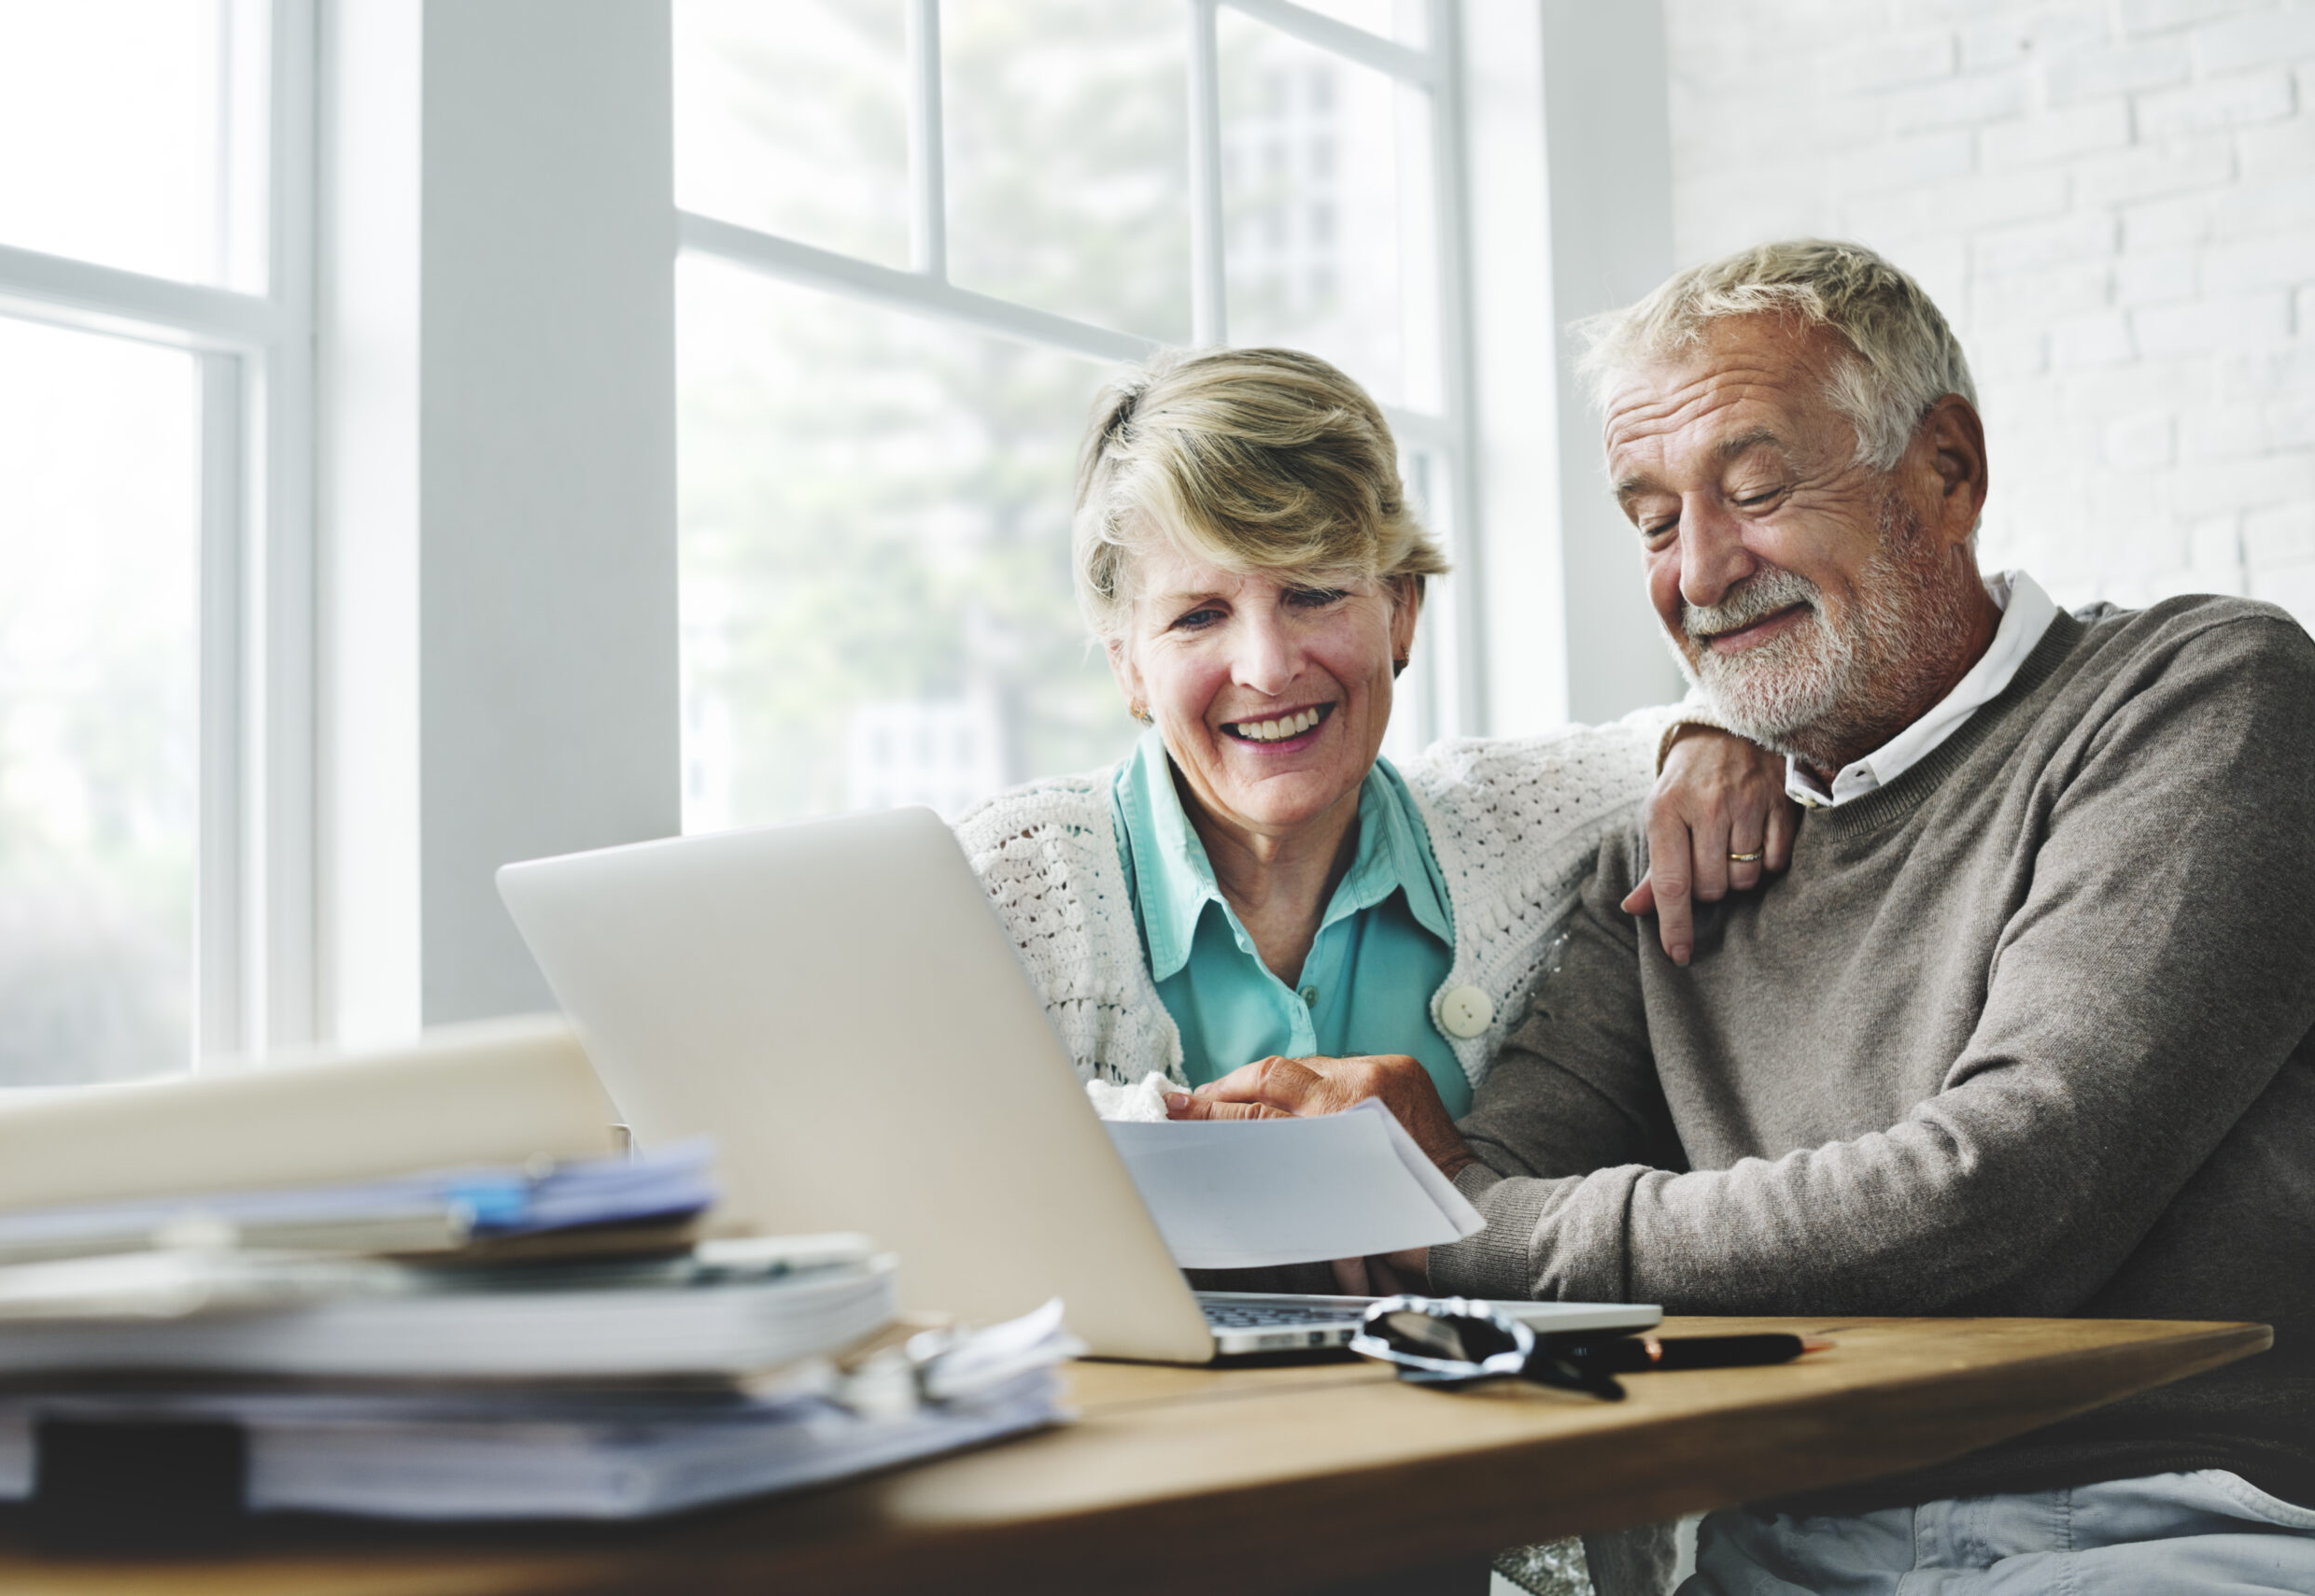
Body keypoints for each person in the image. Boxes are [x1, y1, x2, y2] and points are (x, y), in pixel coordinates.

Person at [1171, 242, 2315, 1593]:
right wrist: (1350, 1175)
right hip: (1778, 1546)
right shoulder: (1667, 862)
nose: (1701, 572)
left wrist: (1459, 1218)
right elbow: (1472, 1201)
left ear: (1947, 472)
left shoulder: (2200, 699)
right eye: (1653, 522)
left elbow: (2003, 1194)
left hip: (2160, 1520)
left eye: (1758, 489)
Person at [957, 346, 1790, 1125]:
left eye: (1313, 593)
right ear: (1128, 667)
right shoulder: (1004, 884)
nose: (1268, 667)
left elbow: (1747, 708)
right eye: (1199, 615)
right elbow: (896, 1155)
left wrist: (1712, 731)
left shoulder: (1523, 827)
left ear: (1401, 610)